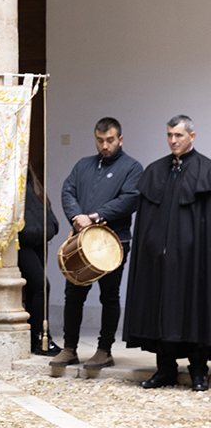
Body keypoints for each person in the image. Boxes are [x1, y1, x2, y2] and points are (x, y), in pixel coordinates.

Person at [124, 115, 211, 392]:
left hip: (194, 261)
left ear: (192, 137)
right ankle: (165, 370)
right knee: (160, 311)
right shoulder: (155, 171)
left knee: (194, 310)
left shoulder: (206, 170)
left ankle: (198, 371)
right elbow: (147, 220)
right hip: (159, 261)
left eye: (179, 135)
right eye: (170, 135)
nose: (173, 140)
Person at [49, 117, 142, 372]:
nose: (105, 145)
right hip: (82, 242)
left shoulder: (132, 167)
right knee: (73, 294)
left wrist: (93, 217)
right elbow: (68, 191)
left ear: (120, 139)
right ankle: (69, 349)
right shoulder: (83, 165)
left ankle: (104, 351)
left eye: (110, 140)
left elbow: (130, 199)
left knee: (109, 296)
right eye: (100, 140)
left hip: (113, 243)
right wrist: (77, 218)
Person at [18, 166, 60, 356]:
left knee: (38, 289)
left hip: (38, 240)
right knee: (42, 286)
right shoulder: (10, 183)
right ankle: (40, 338)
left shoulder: (32, 182)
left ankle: (40, 338)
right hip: (23, 243)